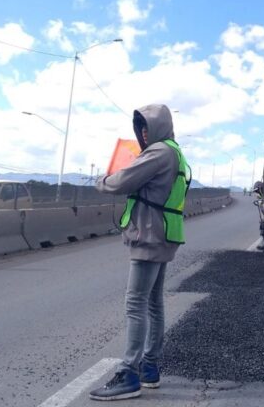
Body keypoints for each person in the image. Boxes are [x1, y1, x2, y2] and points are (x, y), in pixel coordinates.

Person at [90, 104, 189, 401]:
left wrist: (101, 181)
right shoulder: (175, 151)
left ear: (157, 127)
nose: (143, 132)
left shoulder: (159, 152)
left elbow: (122, 181)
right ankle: (150, 368)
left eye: (146, 126)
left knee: (135, 303)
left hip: (149, 235)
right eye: (140, 127)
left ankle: (129, 373)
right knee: (153, 303)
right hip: (164, 234)